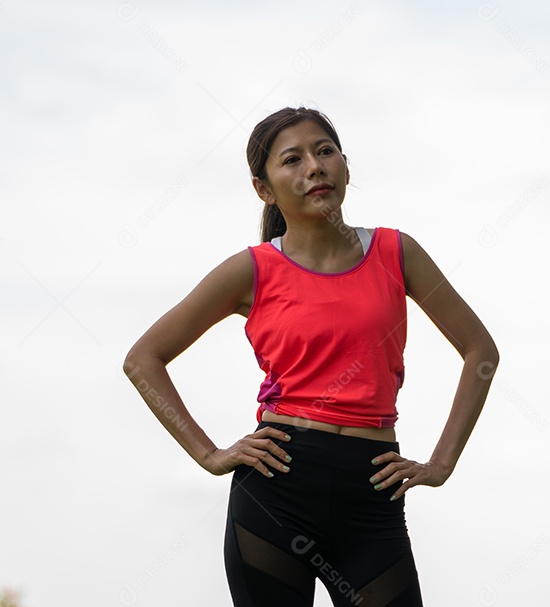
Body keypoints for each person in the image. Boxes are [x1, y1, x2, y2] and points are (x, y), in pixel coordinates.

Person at [123, 106, 499, 607]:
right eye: (292, 159)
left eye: (324, 152)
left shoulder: (397, 252)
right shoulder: (251, 270)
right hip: (276, 492)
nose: (315, 167)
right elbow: (143, 359)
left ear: (345, 164)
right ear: (264, 188)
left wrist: (442, 463)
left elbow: (481, 351)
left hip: (372, 495)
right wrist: (210, 455)